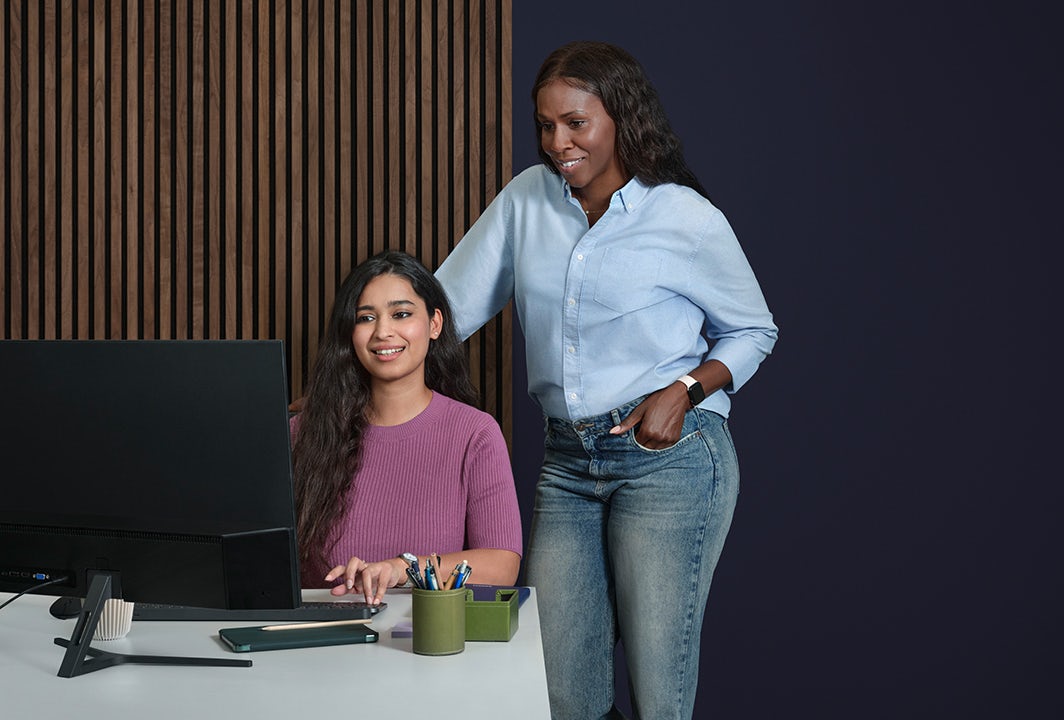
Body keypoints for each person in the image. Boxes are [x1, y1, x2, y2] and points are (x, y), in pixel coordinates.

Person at [435, 41, 778, 720]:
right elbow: (444, 312)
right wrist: (344, 389)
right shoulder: (527, 201)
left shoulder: (681, 216)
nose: (557, 141)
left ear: (620, 118)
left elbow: (754, 330)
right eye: (544, 125)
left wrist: (684, 390)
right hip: (568, 465)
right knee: (559, 691)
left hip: (669, 462)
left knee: (658, 690)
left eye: (575, 123)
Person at [290, 250, 522, 606]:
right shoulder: (302, 434)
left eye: (401, 314)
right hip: (318, 645)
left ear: (434, 324)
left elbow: (502, 563)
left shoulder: (475, 434)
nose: (383, 331)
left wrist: (402, 569)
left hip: (431, 646)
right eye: (366, 318)